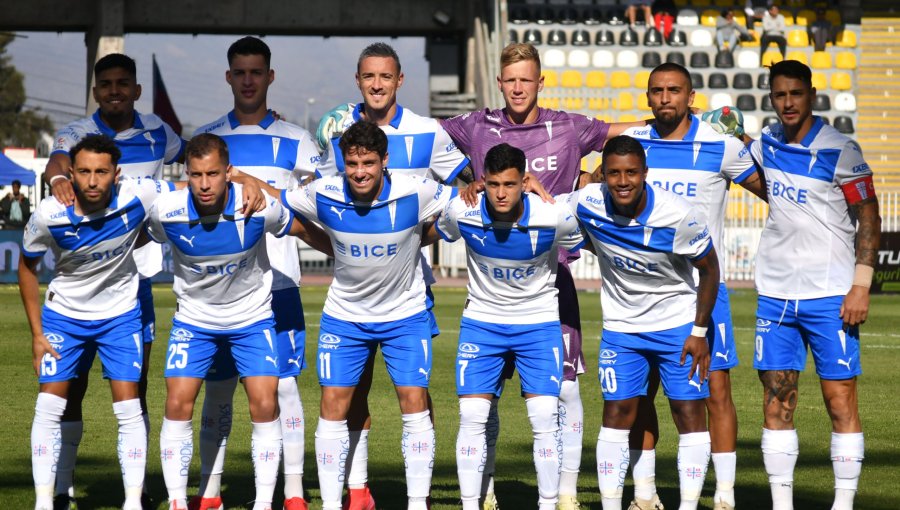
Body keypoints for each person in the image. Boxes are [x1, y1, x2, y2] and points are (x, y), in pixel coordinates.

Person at [441, 42, 646, 509]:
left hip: (552, 286)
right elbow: (414, 138)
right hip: (491, 292)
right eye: (510, 79)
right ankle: (484, 489)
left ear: (539, 81)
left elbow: (623, 134)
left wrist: (675, 122)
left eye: (525, 79)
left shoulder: (569, 126)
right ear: (499, 82)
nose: (517, 88)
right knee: (479, 405)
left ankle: (567, 494)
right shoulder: (475, 125)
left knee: (565, 393)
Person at [314, 41, 472, 510]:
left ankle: (418, 495)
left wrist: (416, 238)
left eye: (386, 76)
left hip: (410, 286)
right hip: (355, 289)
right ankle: (358, 490)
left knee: (415, 392)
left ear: (400, 81)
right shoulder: (339, 131)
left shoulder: (429, 132)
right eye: (369, 77)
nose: (377, 84)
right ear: (358, 81)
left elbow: (463, 191)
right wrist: (341, 250)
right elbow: (322, 200)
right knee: (350, 392)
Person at [282, 121, 456, 510]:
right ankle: (331, 504)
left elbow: (463, 204)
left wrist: (417, 239)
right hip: (345, 317)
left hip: (405, 315)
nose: (359, 172)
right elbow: (279, 205)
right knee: (333, 406)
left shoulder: (418, 190)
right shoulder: (322, 192)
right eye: (352, 163)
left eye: (369, 163)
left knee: (414, 402)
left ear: (385, 161)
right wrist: (238, 181)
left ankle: (416, 503)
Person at [616, 63, 767, 510]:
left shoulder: (719, 146)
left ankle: (723, 495)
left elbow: (772, 191)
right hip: (642, 291)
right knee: (640, 394)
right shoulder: (633, 144)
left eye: (674, 90)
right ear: (648, 96)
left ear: (690, 95)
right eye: (657, 91)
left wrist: (747, 140)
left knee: (715, 390)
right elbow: (592, 185)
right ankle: (645, 495)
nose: (665, 98)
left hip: (703, 288)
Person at [41, 52, 185, 509]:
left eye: (123, 83)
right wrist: (61, 177)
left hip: (136, 281)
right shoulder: (76, 133)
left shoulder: (160, 133)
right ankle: (61, 485)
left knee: (133, 388)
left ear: (137, 90)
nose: (115, 90)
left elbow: (205, 153)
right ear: (96, 90)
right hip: (85, 281)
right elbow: (57, 162)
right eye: (106, 84)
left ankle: (135, 490)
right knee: (73, 386)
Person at [147, 133, 319, 510]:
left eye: (212, 174)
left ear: (229, 172)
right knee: (178, 402)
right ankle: (180, 502)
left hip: (252, 319)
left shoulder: (256, 206)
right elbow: (130, 226)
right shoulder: (167, 210)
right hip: (194, 321)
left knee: (264, 403)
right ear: (186, 175)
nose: (204, 184)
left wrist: (344, 252)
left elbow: (302, 228)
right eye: (196, 175)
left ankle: (262, 502)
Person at [192, 35, 321, 510]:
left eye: (256, 72)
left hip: (279, 284)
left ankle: (291, 492)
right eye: (239, 72)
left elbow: (315, 206)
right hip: (221, 290)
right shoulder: (209, 140)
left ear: (270, 76)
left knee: (284, 388)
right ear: (229, 77)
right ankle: (210, 491)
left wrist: (255, 185)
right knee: (219, 390)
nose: (248, 80)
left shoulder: (298, 140)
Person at [749, 60, 880, 510]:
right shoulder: (766, 142)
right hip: (776, 296)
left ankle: (842, 505)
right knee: (777, 402)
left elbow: (868, 216)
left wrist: (861, 284)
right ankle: (781, 505)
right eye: (779, 95)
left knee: (839, 400)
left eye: (795, 94)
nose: (787, 103)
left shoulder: (841, 149)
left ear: (812, 95)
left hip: (830, 295)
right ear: (771, 97)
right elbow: (744, 167)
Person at [423, 143, 584, 510]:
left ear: (525, 181)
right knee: (472, 416)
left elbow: (579, 237)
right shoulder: (461, 211)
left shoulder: (553, 215)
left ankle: (547, 504)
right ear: (482, 181)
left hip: (538, 325)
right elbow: (437, 228)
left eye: (509, 184)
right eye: (493, 184)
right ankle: (470, 504)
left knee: (545, 418)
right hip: (483, 323)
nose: (500, 193)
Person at [19, 134, 176, 510]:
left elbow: (196, 184)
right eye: (84, 171)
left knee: (128, 407)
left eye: (101, 172)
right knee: (49, 406)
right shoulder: (48, 214)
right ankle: (47, 500)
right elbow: (27, 268)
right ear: (71, 173)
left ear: (116, 174)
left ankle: (133, 502)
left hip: (120, 318)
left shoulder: (139, 194)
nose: (92, 181)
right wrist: (38, 334)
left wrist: (246, 183)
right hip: (64, 318)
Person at [571, 135, 720, 510]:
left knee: (688, 413)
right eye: (614, 173)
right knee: (616, 412)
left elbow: (710, 270)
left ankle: (687, 505)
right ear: (602, 174)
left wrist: (699, 332)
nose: (623, 181)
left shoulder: (677, 215)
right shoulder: (587, 203)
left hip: (678, 326)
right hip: (622, 330)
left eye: (632, 173)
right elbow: (543, 206)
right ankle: (612, 503)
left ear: (645, 173)